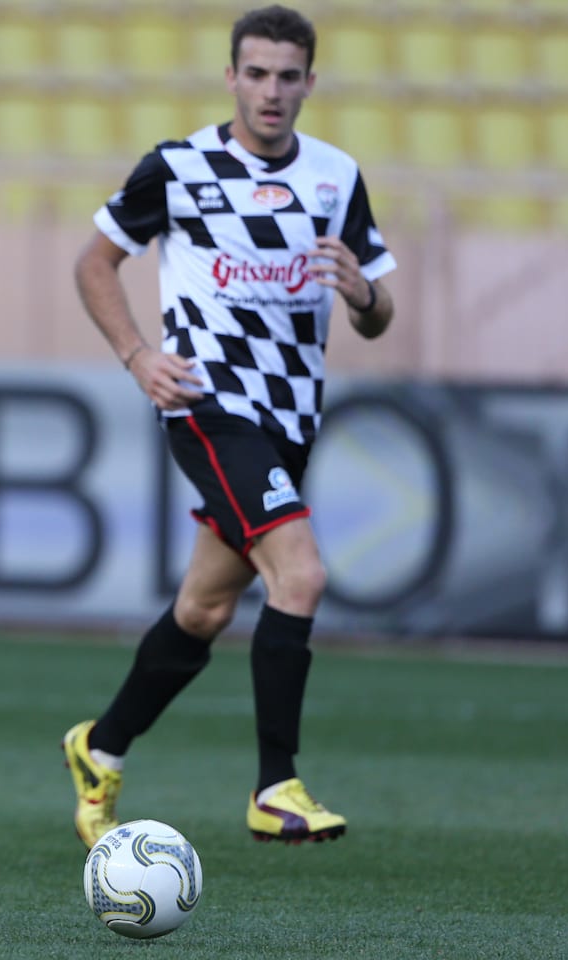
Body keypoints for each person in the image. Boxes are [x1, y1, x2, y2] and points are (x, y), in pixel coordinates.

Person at [62, 4, 395, 849]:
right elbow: (94, 261)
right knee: (303, 576)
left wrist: (361, 292)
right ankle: (274, 786)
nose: (272, 91)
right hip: (208, 408)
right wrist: (139, 354)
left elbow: (379, 312)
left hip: (290, 420)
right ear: (231, 77)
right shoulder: (179, 168)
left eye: (289, 76)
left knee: (205, 608)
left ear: (310, 83)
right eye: (257, 73)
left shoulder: (335, 176)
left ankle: (99, 748)